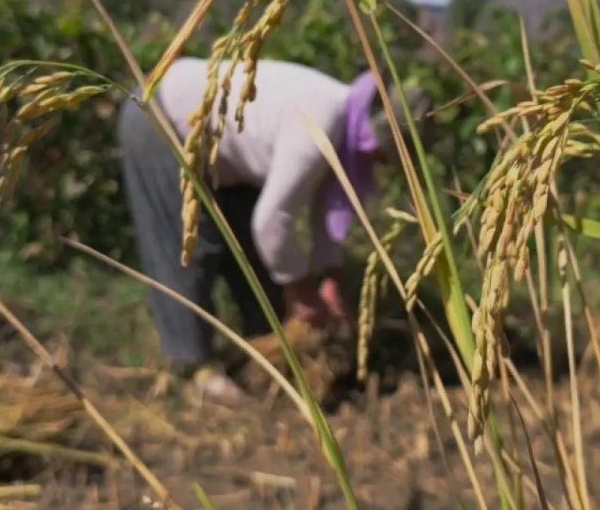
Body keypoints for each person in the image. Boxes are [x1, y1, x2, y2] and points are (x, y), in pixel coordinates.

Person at [119, 57, 427, 399]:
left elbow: (326, 212)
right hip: (162, 116)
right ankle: (196, 368)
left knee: (255, 260)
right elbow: (271, 222)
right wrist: (303, 290)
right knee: (189, 248)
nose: (382, 165)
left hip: (228, 156)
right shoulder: (321, 124)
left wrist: (331, 279)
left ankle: (261, 352)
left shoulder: (345, 129)